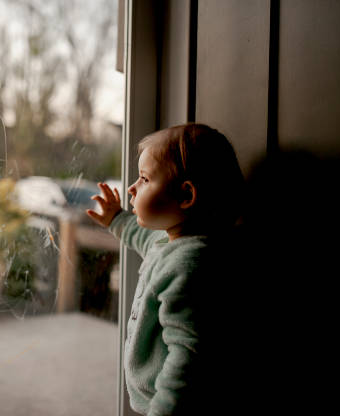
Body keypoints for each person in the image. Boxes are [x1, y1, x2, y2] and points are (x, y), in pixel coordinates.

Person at [86, 123, 245, 415]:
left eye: (145, 179)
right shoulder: (171, 240)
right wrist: (116, 219)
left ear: (186, 196)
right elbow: (143, 236)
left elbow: (188, 355)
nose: (132, 188)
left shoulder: (190, 265)